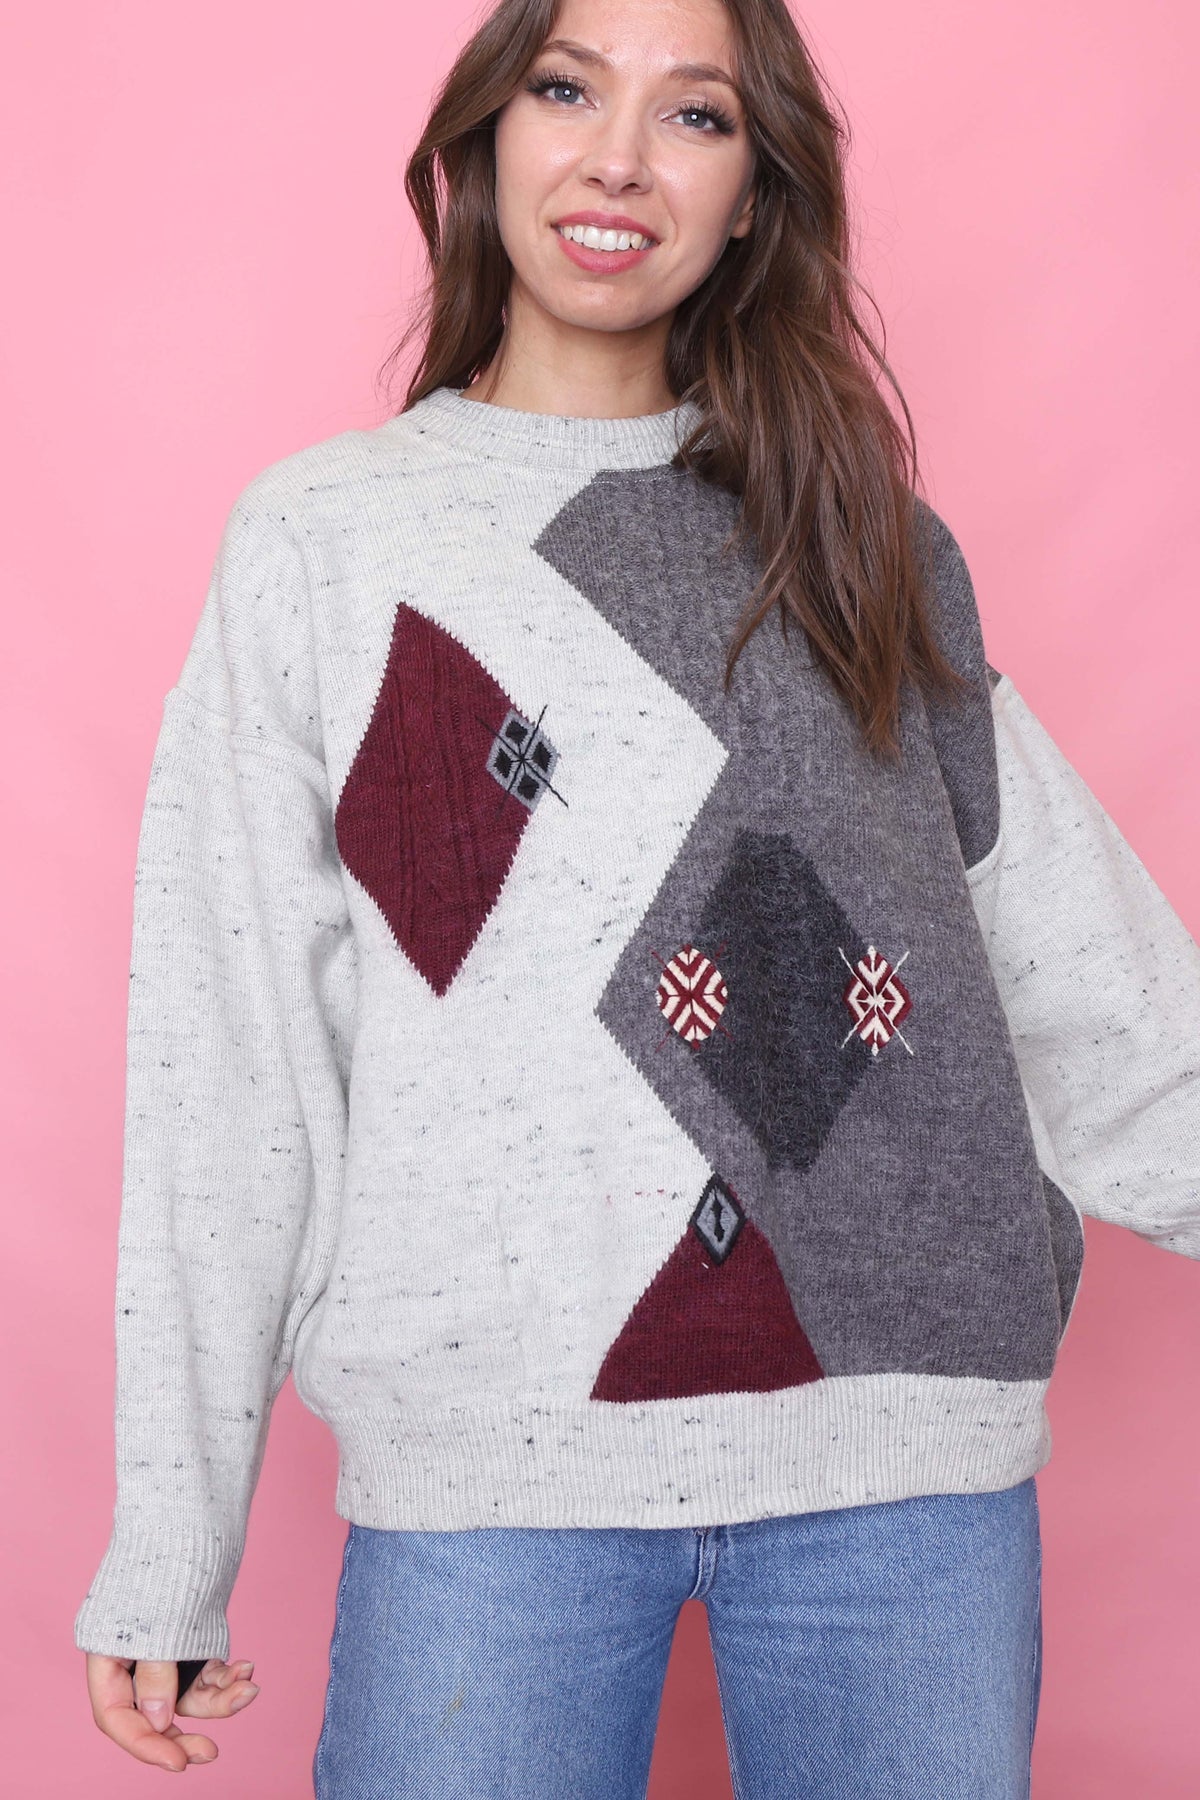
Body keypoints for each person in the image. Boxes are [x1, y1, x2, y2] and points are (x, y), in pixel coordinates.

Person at [76, 0, 1200, 1793]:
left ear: (757, 192)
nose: (617, 160)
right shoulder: (325, 542)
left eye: (696, 116)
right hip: (487, 1472)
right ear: (484, 137)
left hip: (901, 1469)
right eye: (566, 89)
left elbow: (1082, 971)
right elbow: (234, 1060)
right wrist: (172, 1533)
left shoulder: (865, 541)